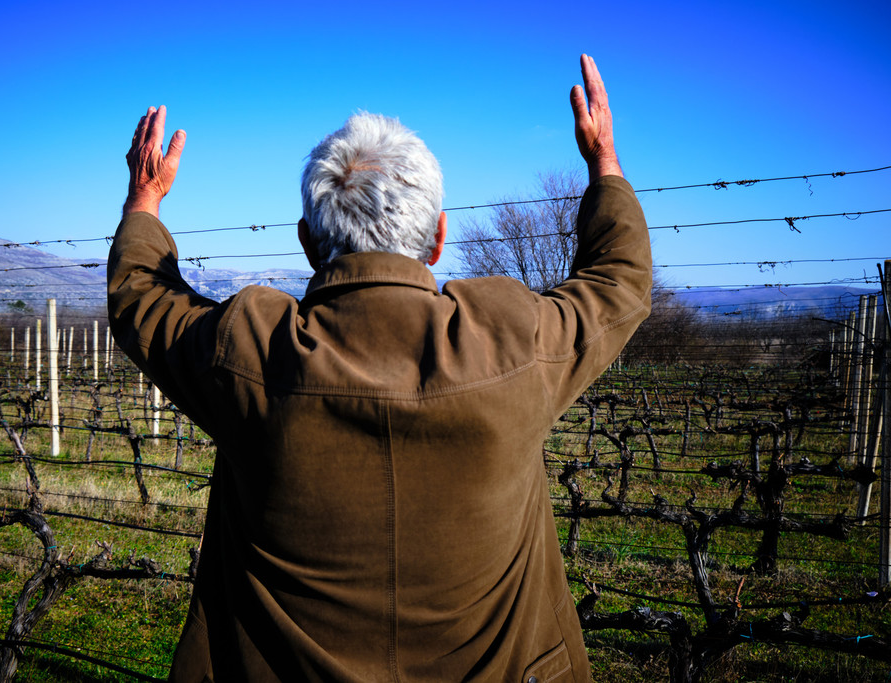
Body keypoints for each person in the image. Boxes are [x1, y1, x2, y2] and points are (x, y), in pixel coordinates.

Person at [108, 54, 651, 682]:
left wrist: (145, 199)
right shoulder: (513, 341)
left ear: (310, 245)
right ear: (440, 237)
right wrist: (604, 163)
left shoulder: (248, 349)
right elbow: (620, 281)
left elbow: (140, 300)